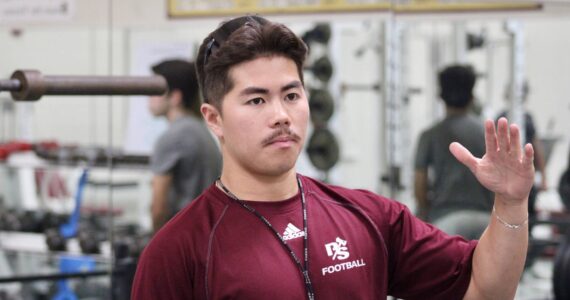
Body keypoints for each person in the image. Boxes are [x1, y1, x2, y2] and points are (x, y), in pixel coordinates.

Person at [132, 15, 535, 299]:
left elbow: (486, 289)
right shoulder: (178, 251)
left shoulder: (371, 218)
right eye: (256, 99)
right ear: (214, 118)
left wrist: (511, 204)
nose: (281, 115)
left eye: (291, 95)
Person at [414, 64, 494, 239]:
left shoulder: (430, 135)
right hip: (487, 222)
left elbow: (419, 185)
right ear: (472, 96)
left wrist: (424, 214)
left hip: (445, 222)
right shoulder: (488, 134)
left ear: (440, 96)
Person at [147, 59, 222, 232]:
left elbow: (159, 209)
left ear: (175, 97)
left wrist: (155, 246)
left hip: (182, 238)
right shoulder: (201, 130)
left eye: (154, 91)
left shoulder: (173, 137)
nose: (148, 96)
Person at [496, 81, 548, 226]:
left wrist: (543, 177)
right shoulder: (501, 118)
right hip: (505, 176)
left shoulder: (528, 119)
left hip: (525, 177)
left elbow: (536, 148)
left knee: (527, 217)